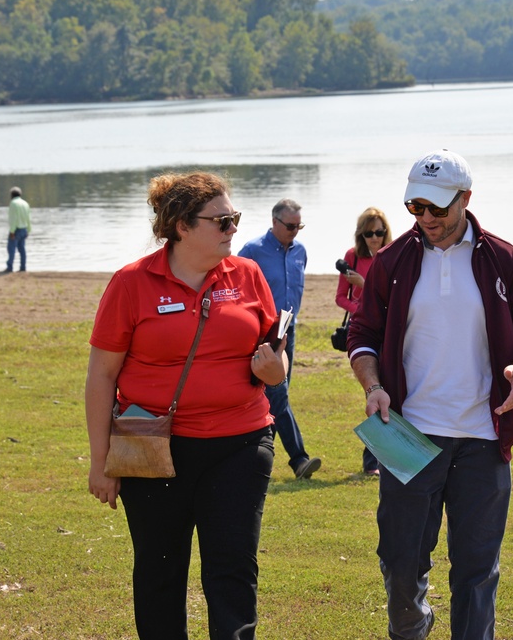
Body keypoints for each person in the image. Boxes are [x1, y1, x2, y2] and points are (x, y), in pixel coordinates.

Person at [346, 149, 513, 640]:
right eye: (415, 207)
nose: (425, 218)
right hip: (410, 437)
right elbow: (363, 336)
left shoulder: (505, 258)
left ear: (465, 198)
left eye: (436, 208)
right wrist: (373, 386)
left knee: (476, 573)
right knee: (400, 564)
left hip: (484, 438)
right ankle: (414, 625)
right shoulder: (391, 262)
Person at [85, 172, 288, 640]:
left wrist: (276, 372)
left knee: (233, 567)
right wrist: (102, 462)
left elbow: (276, 352)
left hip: (240, 444)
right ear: (181, 225)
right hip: (153, 448)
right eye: (221, 220)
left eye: (235, 219)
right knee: (160, 573)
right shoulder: (131, 283)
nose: (233, 228)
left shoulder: (248, 275)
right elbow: (101, 376)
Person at [238, 199, 322, 480]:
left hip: (289, 329)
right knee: (278, 392)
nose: (295, 231)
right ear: (274, 222)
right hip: (264, 332)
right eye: (290, 226)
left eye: (299, 226)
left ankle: (258, 457)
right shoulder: (252, 250)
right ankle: (299, 460)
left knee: (275, 397)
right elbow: (234, 283)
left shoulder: (301, 251)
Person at [335, 207, 392, 475]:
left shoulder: (392, 255)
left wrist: (364, 283)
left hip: (390, 334)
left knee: (390, 395)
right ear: (361, 234)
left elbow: (393, 297)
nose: (375, 238)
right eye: (369, 233)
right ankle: (371, 464)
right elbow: (340, 298)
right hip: (365, 334)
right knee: (374, 394)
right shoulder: (352, 257)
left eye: (379, 232)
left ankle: (382, 460)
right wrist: (362, 308)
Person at [5, 186, 31, 272]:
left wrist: (12, 231)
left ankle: (9, 267)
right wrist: (29, 230)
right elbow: (28, 218)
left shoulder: (13, 203)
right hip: (24, 229)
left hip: (16, 229)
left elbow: (14, 219)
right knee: (22, 250)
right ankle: (23, 267)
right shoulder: (25, 203)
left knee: (11, 249)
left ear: (11, 195)